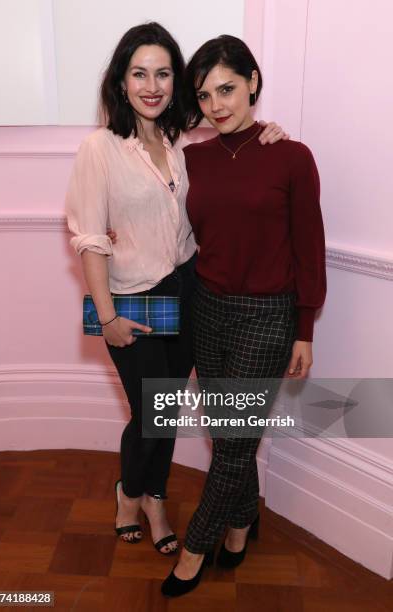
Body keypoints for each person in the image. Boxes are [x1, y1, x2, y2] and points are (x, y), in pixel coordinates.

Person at [66, 23, 288, 556]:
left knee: (165, 410)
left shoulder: (179, 141)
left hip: (186, 290)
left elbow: (226, 170)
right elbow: (90, 239)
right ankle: (131, 495)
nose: (152, 84)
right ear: (121, 81)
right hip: (130, 298)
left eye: (163, 73)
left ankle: (153, 496)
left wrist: (269, 133)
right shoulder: (100, 148)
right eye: (139, 73)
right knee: (151, 412)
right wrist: (109, 315)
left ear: (175, 82)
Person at [161, 35, 326, 596]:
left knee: (232, 440)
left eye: (227, 89)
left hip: (268, 315)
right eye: (204, 96)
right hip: (208, 308)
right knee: (229, 434)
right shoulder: (193, 158)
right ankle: (240, 520)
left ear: (253, 81)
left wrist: (305, 327)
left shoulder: (292, 156)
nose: (217, 106)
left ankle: (193, 547)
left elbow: (309, 246)